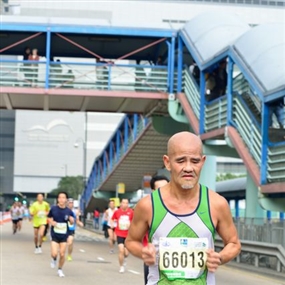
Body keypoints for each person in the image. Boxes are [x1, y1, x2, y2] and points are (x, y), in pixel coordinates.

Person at [125, 131, 241, 285]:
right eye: (180, 161)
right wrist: (143, 252)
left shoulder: (217, 204)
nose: (188, 168)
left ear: (203, 162)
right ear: (167, 162)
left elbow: (234, 243)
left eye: (195, 161)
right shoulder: (148, 205)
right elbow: (131, 241)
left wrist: (219, 258)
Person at [143, 175, 169, 285]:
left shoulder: (182, 208)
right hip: (153, 260)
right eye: (160, 189)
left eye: (166, 188)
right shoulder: (146, 209)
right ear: (153, 191)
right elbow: (133, 239)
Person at [48, 191, 74, 278]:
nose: (62, 199)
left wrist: (71, 219)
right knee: (54, 253)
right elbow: (48, 218)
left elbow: (72, 221)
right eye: (60, 197)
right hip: (55, 234)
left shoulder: (68, 211)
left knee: (62, 254)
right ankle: (54, 259)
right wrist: (52, 222)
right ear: (58, 199)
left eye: (63, 198)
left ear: (66, 199)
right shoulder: (53, 209)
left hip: (64, 234)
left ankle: (60, 269)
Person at [112, 198, 134, 273]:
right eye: (124, 203)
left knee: (126, 253)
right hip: (119, 233)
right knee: (121, 250)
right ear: (121, 203)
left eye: (126, 203)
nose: (125, 204)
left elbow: (135, 222)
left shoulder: (131, 212)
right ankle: (121, 266)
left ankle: (124, 259)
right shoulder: (117, 212)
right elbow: (113, 220)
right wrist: (113, 228)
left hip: (128, 235)